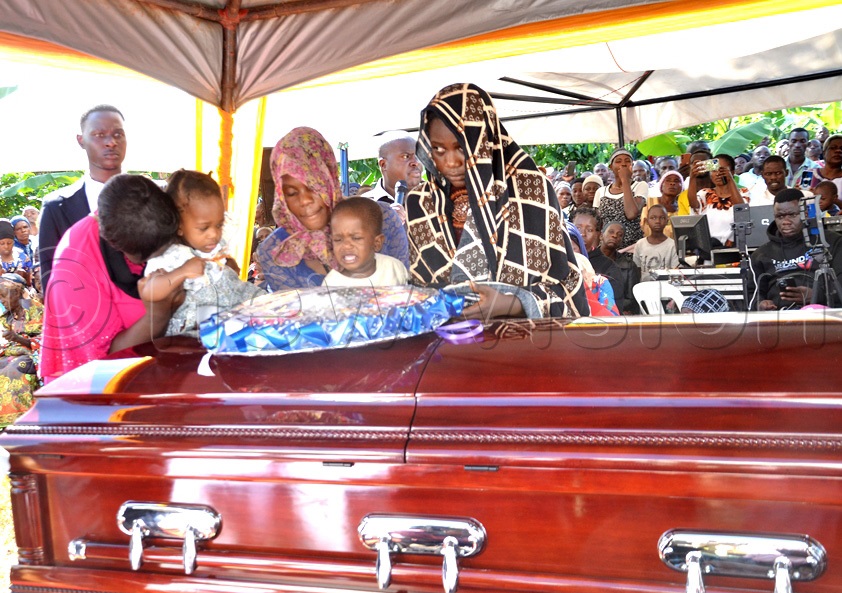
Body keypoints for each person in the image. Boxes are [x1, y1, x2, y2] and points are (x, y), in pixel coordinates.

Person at [405, 83, 588, 319]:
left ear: (484, 140)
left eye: (462, 147)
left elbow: (568, 288)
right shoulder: (420, 204)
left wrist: (512, 303)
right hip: (446, 347)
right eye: (438, 149)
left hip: (521, 345)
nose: (450, 162)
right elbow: (414, 290)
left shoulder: (530, 191)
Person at [40, 175, 182, 382]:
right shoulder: (75, 272)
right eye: (147, 256)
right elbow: (101, 364)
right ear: (112, 239)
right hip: (101, 390)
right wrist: (158, 314)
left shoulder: (144, 221)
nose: (156, 264)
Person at [257, 127, 408, 291]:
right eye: (292, 193)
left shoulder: (382, 218)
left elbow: (404, 293)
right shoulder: (275, 251)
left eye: (314, 187)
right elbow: (298, 311)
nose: (305, 201)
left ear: (329, 178)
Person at [139, 170, 266, 337]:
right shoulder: (170, 256)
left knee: (269, 306)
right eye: (204, 228)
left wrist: (227, 270)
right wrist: (181, 272)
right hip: (195, 333)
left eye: (219, 225)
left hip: (231, 311)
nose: (214, 234)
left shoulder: (209, 246)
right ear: (178, 225)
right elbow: (150, 290)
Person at [39, 105, 127, 291]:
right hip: (86, 315)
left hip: (149, 311)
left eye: (118, 134)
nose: (111, 142)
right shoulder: (57, 207)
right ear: (81, 140)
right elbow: (51, 278)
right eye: (99, 134)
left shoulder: (152, 198)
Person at [747, 188, 842, 311]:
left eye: (792, 215)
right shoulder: (760, 254)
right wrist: (760, 304)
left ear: (805, 213)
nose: (786, 222)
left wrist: (816, 296)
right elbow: (752, 294)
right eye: (780, 216)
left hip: (823, 316)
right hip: (779, 319)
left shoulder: (831, 242)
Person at [323, 197, 408, 287]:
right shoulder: (332, 281)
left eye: (356, 238)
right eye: (338, 240)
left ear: (377, 243)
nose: (346, 246)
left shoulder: (393, 270)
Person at [572, 207, 625, 312]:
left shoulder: (609, 267)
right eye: (578, 228)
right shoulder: (561, 259)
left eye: (589, 230)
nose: (582, 234)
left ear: (598, 235)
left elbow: (613, 307)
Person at [594, 148, 648, 249]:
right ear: (611, 167)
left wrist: (625, 180)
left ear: (632, 166)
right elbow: (598, 224)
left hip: (631, 249)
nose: (623, 164)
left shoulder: (640, 186)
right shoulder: (601, 192)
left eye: (627, 161)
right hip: (607, 249)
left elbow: (631, 214)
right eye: (618, 161)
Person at [693, 154, 747, 247]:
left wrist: (730, 179)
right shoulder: (704, 193)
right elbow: (693, 204)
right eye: (714, 170)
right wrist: (692, 176)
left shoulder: (743, 193)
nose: (717, 174)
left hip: (734, 251)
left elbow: (741, 210)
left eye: (722, 170)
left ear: (732, 172)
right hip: (709, 251)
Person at [361, 132, 423, 204]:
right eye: (406, 156)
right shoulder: (364, 206)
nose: (415, 162)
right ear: (383, 164)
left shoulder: (435, 199)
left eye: (418, 156)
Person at [633, 204, 679, 276]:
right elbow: (636, 270)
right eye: (653, 218)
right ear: (647, 221)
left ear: (667, 221)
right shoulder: (640, 244)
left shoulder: (672, 245)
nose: (657, 221)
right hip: (644, 286)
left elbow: (675, 270)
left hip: (665, 286)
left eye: (662, 218)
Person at [0, 221, 32, 285]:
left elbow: (31, 282)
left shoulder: (22, 257)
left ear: (14, 242)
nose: (6, 246)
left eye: (9, 243)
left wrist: (25, 276)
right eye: (2, 243)